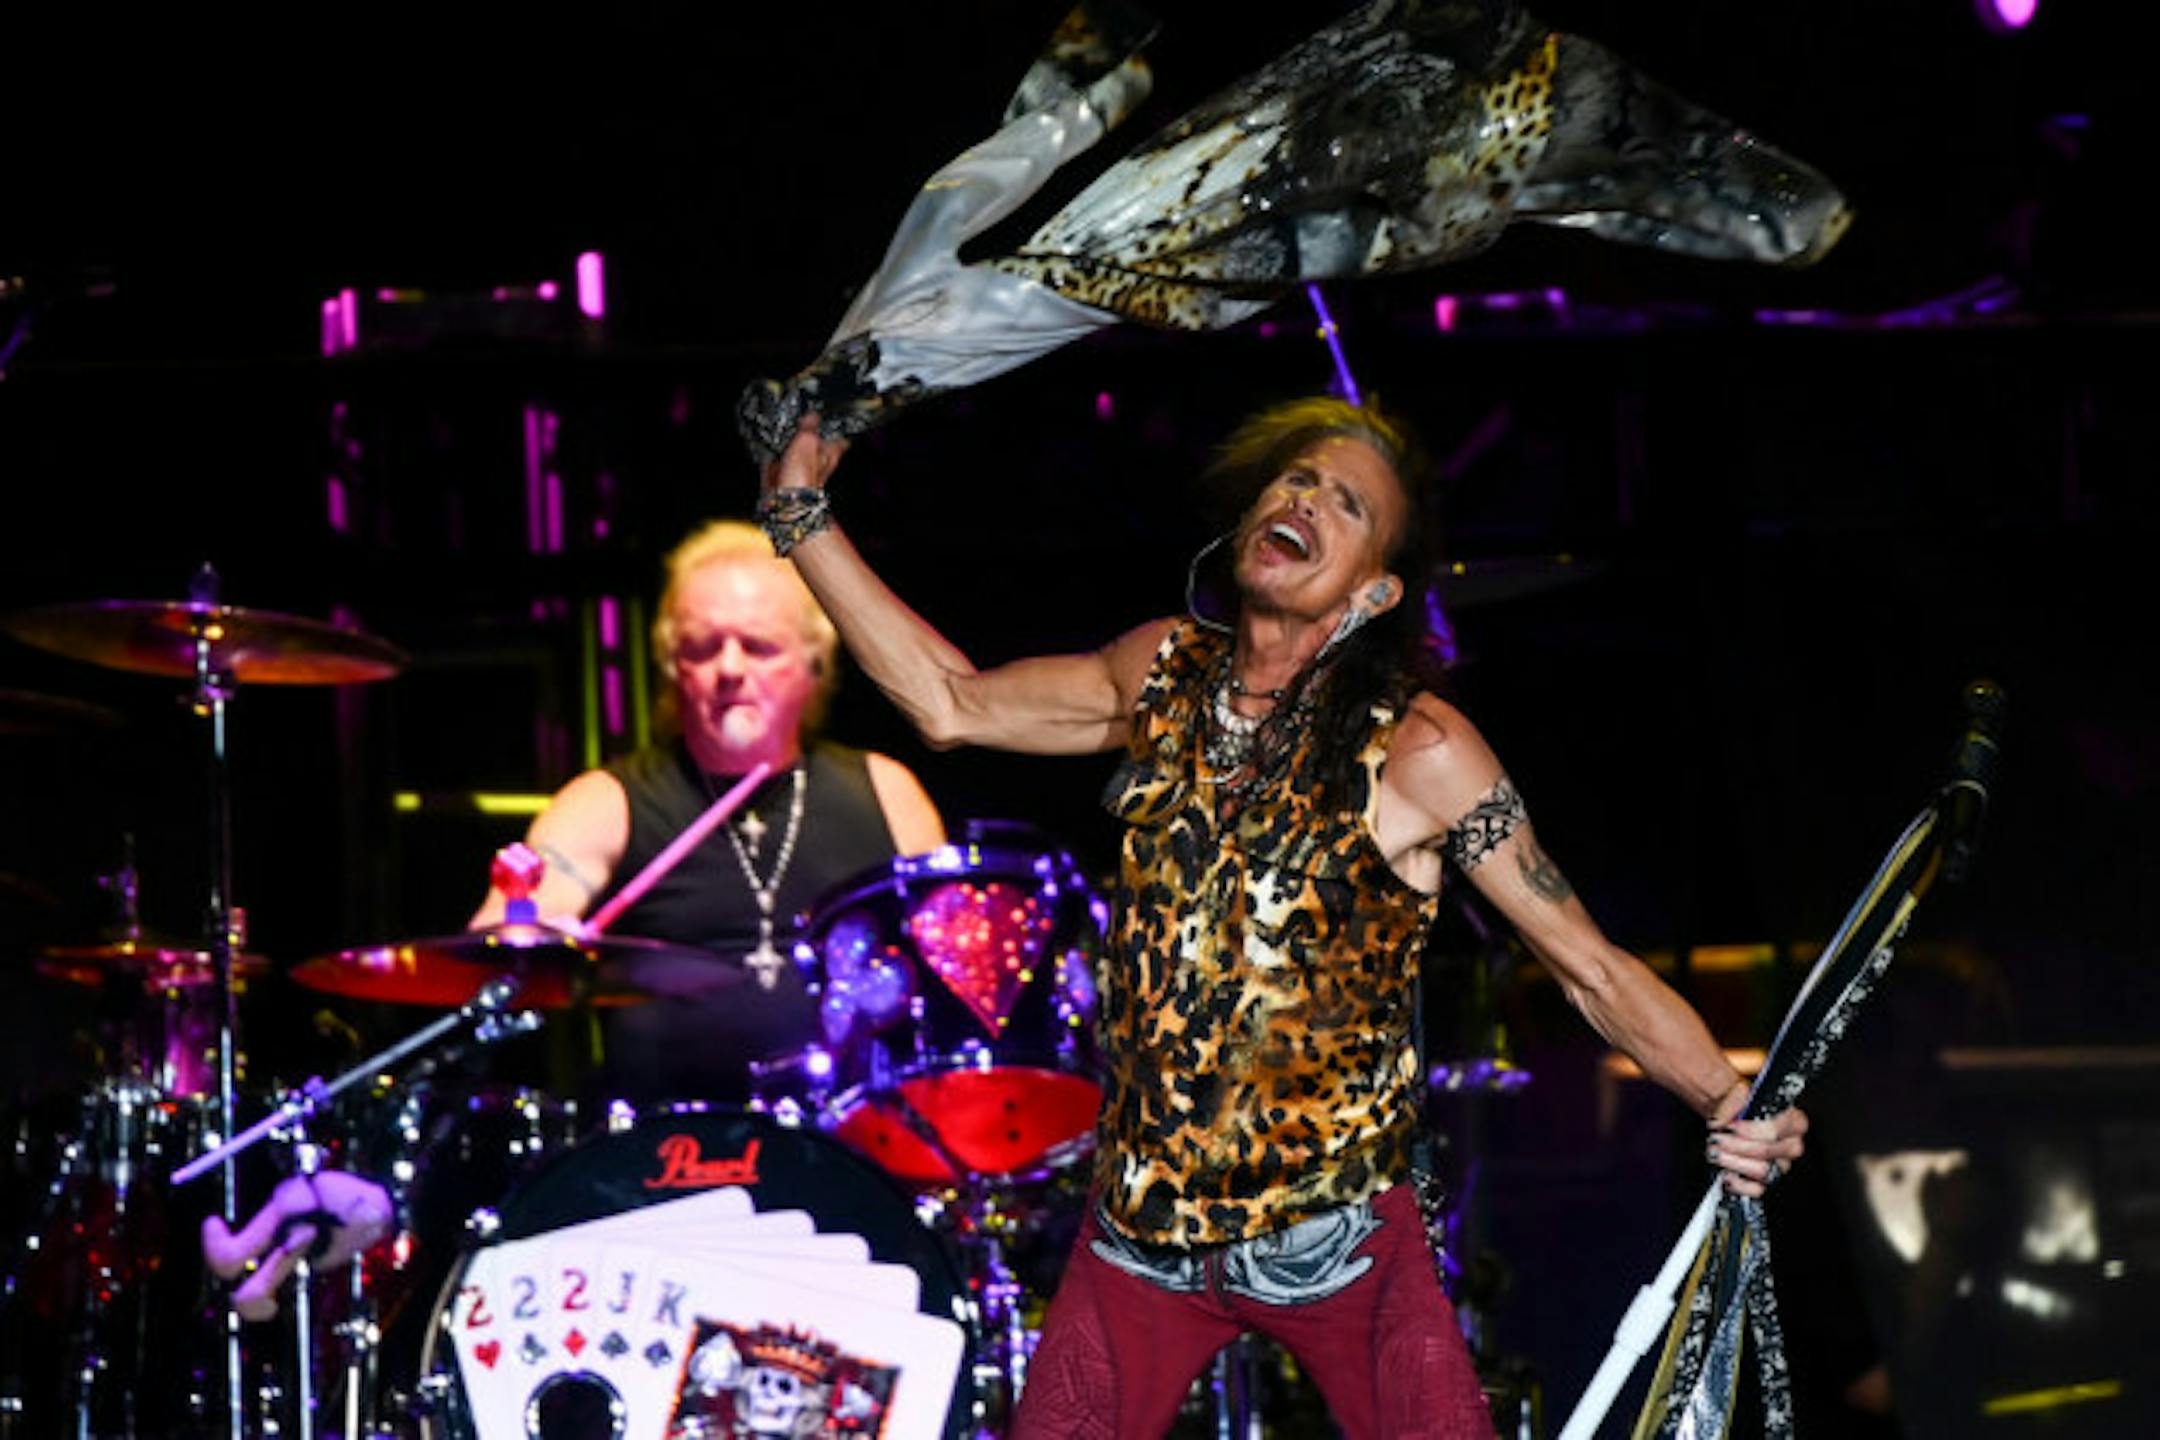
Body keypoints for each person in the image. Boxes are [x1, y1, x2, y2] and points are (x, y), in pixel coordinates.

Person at [755, 397, 1809, 1440]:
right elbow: (953, 702)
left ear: (1372, 590)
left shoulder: (1420, 751)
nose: (1305, 496)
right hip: (1142, 1233)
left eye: (1347, 503)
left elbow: (1587, 965)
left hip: (1342, 1236)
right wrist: (802, 512)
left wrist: (1726, 1093)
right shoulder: (1162, 674)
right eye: (1297, 477)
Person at [469, 519, 945, 1105]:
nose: (729, 669)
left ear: (813, 661)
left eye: (758, 646)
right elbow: (497, 941)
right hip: (664, 1156)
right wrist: (530, 931)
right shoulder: (606, 801)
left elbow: (947, 973)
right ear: (673, 665)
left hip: (856, 1146)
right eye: (703, 646)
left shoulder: (888, 792)